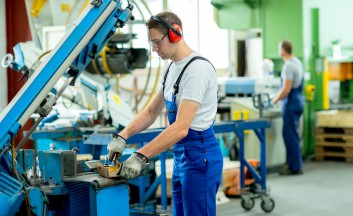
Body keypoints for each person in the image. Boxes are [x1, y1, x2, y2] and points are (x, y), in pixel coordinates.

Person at [107, 11, 223, 216]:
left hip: (199, 155)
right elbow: (151, 111)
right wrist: (122, 136)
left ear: (175, 34)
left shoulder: (197, 70)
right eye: (151, 43)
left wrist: (141, 155)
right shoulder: (171, 69)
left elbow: (180, 127)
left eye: (157, 42)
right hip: (181, 156)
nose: (154, 49)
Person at [272, 40, 304, 175]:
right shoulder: (297, 62)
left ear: (283, 50)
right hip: (299, 100)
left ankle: (294, 167)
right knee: (294, 134)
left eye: (279, 48)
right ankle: (295, 164)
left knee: (289, 136)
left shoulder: (288, 66)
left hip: (291, 103)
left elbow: (286, 89)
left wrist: (274, 100)